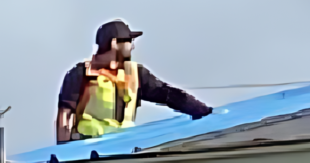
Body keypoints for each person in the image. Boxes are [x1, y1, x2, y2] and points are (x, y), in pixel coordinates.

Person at [55, 20, 214, 144]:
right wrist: (63, 152)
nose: (132, 47)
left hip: (123, 148)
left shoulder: (136, 74)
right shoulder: (80, 74)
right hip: (89, 149)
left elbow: (166, 94)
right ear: (114, 43)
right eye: (129, 41)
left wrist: (200, 110)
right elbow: (64, 115)